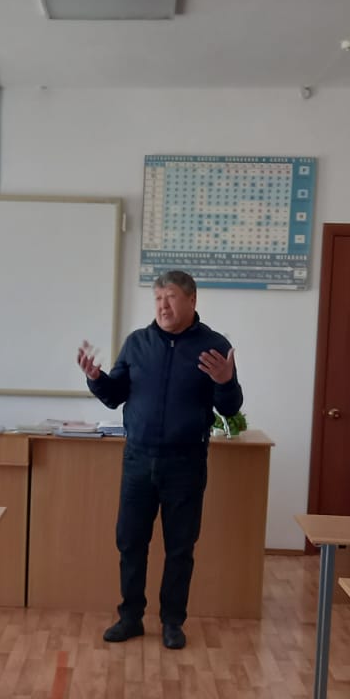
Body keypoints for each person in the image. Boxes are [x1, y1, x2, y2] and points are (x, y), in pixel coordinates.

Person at [77, 269, 242, 650]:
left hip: (186, 462)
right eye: (157, 299)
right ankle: (130, 617)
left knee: (180, 547)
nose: (163, 306)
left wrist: (225, 381)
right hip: (138, 460)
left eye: (170, 297)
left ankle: (172, 622)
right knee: (130, 541)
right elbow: (114, 395)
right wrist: (96, 378)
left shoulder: (213, 346)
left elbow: (230, 407)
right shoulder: (137, 343)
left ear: (192, 300)